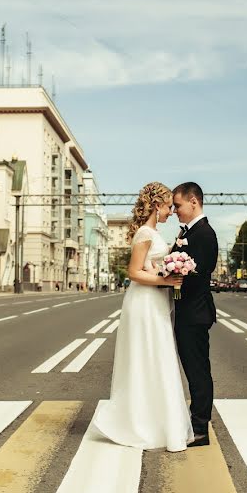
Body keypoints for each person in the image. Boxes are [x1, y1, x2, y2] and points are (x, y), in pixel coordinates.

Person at [91, 182, 194, 452]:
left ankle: (156, 423)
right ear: (157, 205)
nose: (171, 212)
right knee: (148, 357)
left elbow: (149, 266)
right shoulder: (145, 234)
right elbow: (134, 272)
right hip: (144, 302)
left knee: (156, 357)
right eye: (169, 206)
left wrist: (165, 274)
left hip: (155, 301)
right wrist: (167, 279)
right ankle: (141, 424)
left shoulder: (152, 232)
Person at [171, 182, 219, 447]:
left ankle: (200, 428)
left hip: (195, 313)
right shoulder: (190, 231)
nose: (176, 211)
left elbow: (198, 273)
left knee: (198, 371)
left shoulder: (204, 233)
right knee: (194, 369)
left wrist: (170, 276)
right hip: (188, 311)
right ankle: (195, 423)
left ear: (193, 202)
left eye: (178, 205)